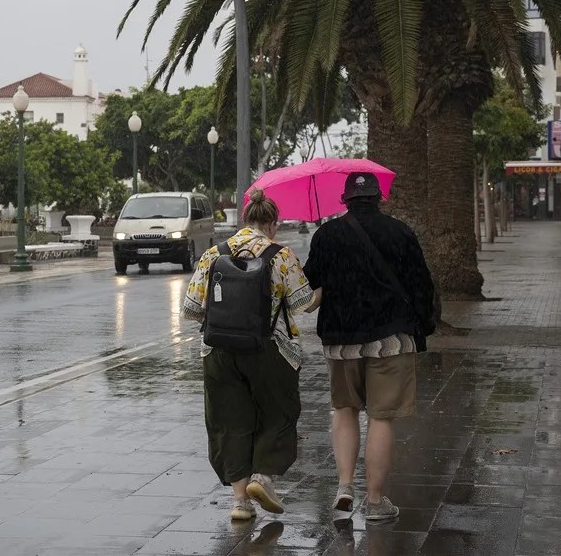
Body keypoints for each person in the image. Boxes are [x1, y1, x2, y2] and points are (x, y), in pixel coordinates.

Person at [303, 172, 436, 521]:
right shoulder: (400, 233)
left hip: (341, 340)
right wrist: (425, 325)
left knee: (344, 411)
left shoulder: (327, 235)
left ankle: (345, 486)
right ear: (379, 198)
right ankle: (375, 502)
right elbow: (422, 285)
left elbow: (308, 283)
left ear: (345, 200)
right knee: (381, 418)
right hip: (390, 339)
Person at [183, 189, 316, 521]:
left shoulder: (213, 254)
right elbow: (301, 305)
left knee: (229, 420)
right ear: (272, 223)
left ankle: (240, 502)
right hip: (269, 350)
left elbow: (191, 309)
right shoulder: (282, 255)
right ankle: (263, 477)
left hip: (219, 352)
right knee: (278, 412)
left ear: (245, 219)